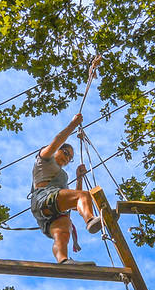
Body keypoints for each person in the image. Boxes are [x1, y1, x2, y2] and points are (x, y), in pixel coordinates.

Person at [30, 113, 102, 265]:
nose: (67, 158)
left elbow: (75, 205)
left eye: (70, 158)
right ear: (57, 150)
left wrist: (79, 177)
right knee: (83, 195)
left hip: (53, 209)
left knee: (62, 233)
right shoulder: (44, 158)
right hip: (44, 199)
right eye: (66, 153)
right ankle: (90, 220)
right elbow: (57, 141)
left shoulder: (63, 176)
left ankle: (63, 261)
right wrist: (73, 125)